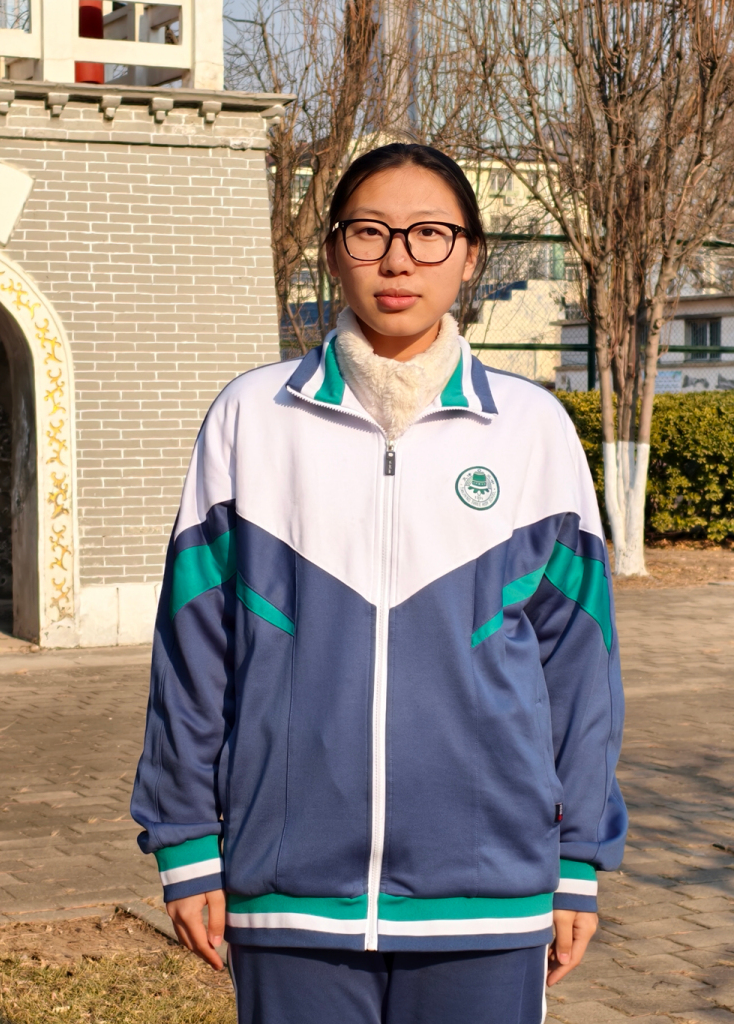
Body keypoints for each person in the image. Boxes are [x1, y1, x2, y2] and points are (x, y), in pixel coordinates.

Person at [131, 143, 627, 1024]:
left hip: (489, 890)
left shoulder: (532, 429)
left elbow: (580, 665)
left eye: (430, 234)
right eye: (370, 232)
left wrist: (578, 856)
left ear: (470, 256)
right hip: (289, 888)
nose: (399, 260)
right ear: (333, 250)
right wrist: (185, 841)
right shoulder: (253, 418)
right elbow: (192, 649)